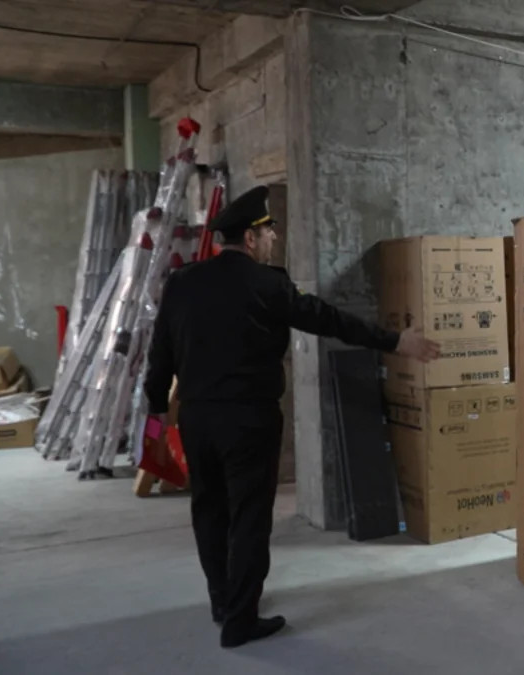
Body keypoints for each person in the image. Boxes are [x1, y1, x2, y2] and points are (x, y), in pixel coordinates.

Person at [144, 185, 439, 648]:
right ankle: (241, 619)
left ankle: (223, 601)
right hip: (249, 420)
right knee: (249, 516)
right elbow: (329, 320)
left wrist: (157, 413)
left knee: (209, 510)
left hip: (198, 420)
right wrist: (395, 342)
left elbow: (159, 352)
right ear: (250, 238)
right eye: (269, 231)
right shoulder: (268, 285)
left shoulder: (183, 283)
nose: (275, 238)